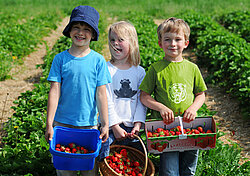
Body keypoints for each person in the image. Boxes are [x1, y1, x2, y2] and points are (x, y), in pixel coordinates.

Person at [44, 5, 111, 176]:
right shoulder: (60, 59)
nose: (81, 32)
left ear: (93, 34)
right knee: (65, 170)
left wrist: (105, 123)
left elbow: (101, 94)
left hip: (88, 126)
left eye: (86, 29)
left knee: (89, 170)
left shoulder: (98, 61)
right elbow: (54, 92)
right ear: (69, 30)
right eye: (76, 27)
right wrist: (49, 123)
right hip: (62, 124)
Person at [139, 17, 207, 176]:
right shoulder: (156, 69)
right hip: (166, 127)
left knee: (189, 168)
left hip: (190, 125)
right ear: (160, 43)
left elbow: (201, 95)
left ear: (186, 43)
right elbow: (144, 96)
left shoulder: (192, 68)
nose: (173, 44)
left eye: (178, 39)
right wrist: (161, 107)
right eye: (167, 39)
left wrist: (193, 108)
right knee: (170, 171)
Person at [99, 21, 147, 161]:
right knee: (107, 160)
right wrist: (114, 126)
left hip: (133, 129)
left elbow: (141, 101)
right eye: (112, 40)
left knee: (136, 160)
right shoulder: (106, 69)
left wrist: (138, 124)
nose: (115, 43)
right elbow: (105, 99)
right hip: (110, 128)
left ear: (132, 43)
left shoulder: (139, 72)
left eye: (121, 40)